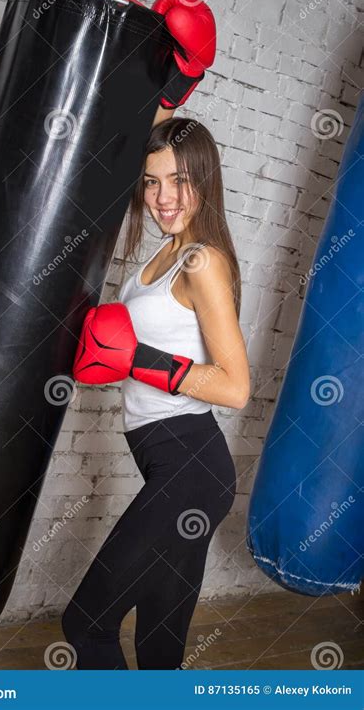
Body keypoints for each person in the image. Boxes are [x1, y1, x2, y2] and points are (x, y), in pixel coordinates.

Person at [61, 115, 250, 669]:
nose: (164, 197)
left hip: (191, 465)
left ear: (205, 181)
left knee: (86, 623)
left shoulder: (202, 262)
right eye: (152, 181)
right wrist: (170, 87)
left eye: (180, 181)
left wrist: (137, 359)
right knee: (160, 643)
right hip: (169, 461)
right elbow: (151, 133)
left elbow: (235, 387)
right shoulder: (160, 255)